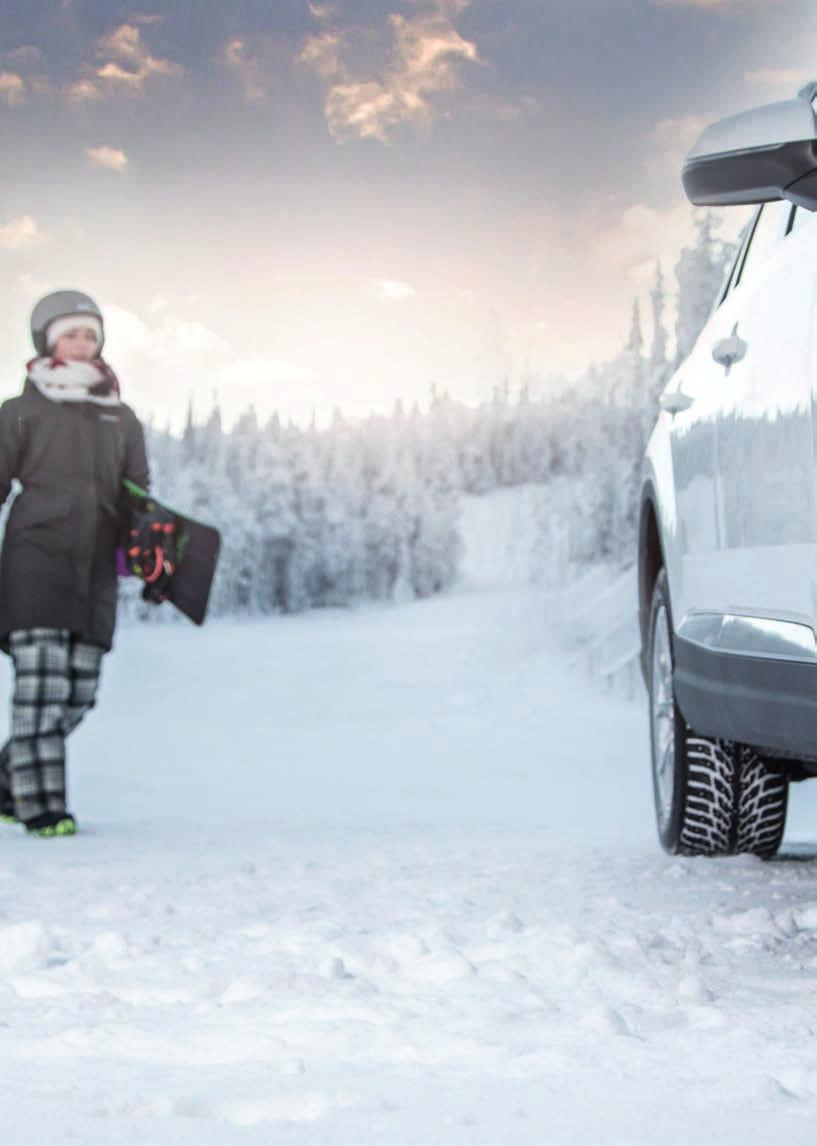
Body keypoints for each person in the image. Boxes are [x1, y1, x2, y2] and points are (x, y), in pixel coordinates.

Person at [0, 290, 149, 837]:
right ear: (47, 340)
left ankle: (6, 780)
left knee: (79, 693)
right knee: (40, 690)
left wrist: (151, 546)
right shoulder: (20, 412)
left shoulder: (121, 417)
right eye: (71, 333)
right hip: (34, 563)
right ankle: (41, 809)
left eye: (90, 334)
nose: (82, 344)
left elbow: (138, 493)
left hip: (94, 574)